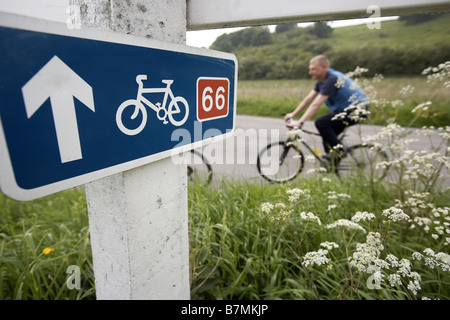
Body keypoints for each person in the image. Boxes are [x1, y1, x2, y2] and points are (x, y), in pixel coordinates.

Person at [284, 55, 369, 160]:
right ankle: (333, 160)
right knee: (327, 134)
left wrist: (300, 122)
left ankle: (339, 152)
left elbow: (316, 104)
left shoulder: (332, 79)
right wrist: (293, 114)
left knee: (321, 123)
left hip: (358, 110)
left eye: (313, 69)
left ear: (324, 67)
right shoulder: (322, 81)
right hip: (346, 110)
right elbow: (309, 99)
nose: (310, 72)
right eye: (310, 69)